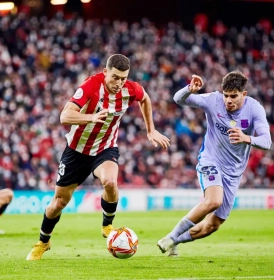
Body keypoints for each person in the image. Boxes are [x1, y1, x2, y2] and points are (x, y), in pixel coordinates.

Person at [26, 54, 170, 260]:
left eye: (123, 78)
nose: (119, 83)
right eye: (115, 77)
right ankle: (43, 241)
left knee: (110, 182)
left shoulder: (131, 89)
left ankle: (107, 224)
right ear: (105, 72)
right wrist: (90, 117)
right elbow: (64, 116)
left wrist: (151, 130)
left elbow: (145, 98)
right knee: (58, 203)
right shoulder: (90, 86)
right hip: (76, 152)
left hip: (105, 148)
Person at [157, 71, 272, 256]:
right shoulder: (213, 100)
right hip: (210, 160)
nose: (228, 100)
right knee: (213, 201)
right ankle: (171, 237)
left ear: (244, 94)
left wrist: (247, 138)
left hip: (233, 173)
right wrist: (189, 89)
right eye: (226, 95)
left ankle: (175, 240)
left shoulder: (255, 109)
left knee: (212, 226)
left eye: (233, 96)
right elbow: (178, 99)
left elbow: (267, 142)